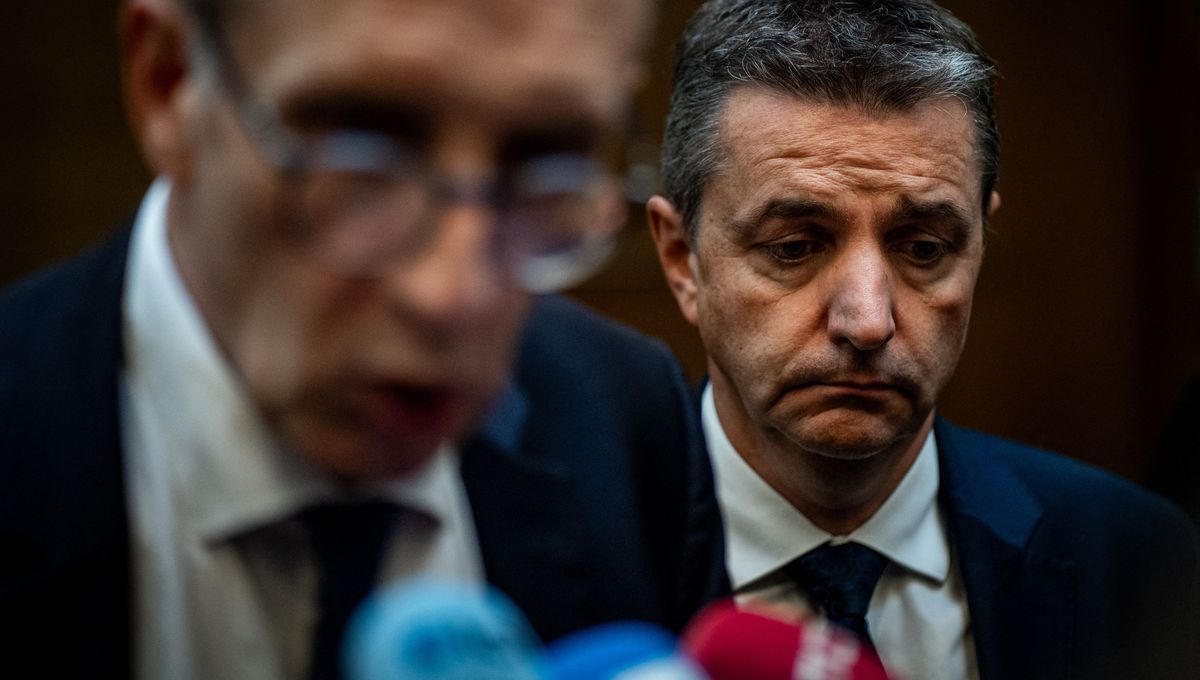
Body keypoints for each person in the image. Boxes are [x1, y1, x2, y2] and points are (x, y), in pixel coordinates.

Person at [0, 0, 726, 677]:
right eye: (361, 151)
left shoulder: (630, 424)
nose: (453, 295)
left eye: (545, 161)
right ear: (170, 82)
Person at [647, 1, 1200, 678]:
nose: (867, 322)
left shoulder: (1139, 561)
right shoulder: (569, 561)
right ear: (682, 260)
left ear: (980, 243)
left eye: (924, 248)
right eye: (793, 247)